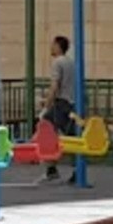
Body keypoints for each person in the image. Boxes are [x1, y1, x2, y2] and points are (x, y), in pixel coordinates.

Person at [38, 35, 77, 183]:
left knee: (46, 128)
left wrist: (46, 106)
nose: (51, 47)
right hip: (72, 103)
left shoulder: (57, 63)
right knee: (73, 136)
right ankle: (76, 169)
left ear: (58, 46)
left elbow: (54, 86)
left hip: (61, 103)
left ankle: (51, 168)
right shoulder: (71, 63)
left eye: (53, 45)